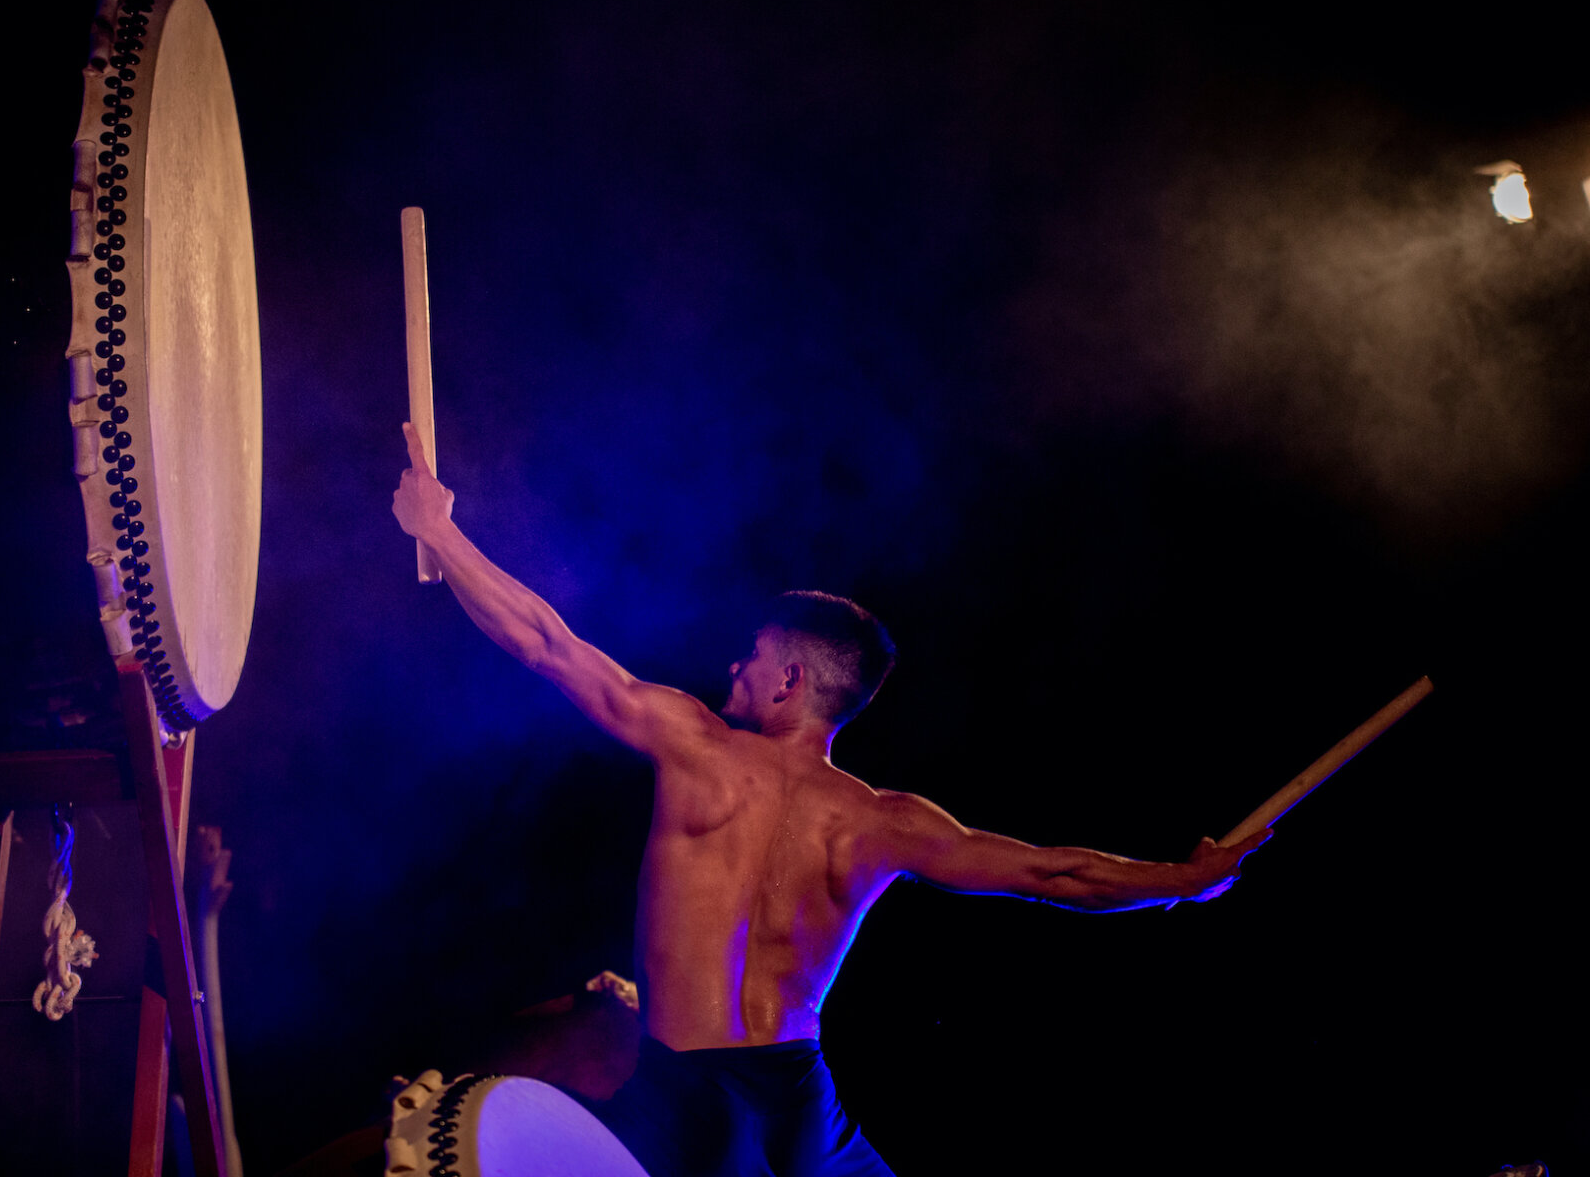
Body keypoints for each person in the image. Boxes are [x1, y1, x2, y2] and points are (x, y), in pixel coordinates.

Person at [391, 423, 1269, 1176]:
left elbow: (547, 643)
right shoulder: (886, 822)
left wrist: (441, 529)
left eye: (754, 656)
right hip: (796, 1099)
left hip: (686, 1094)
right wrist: (1181, 881)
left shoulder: (693, 745)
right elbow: (1054, 873)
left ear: (792, 679)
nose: (735, 667)